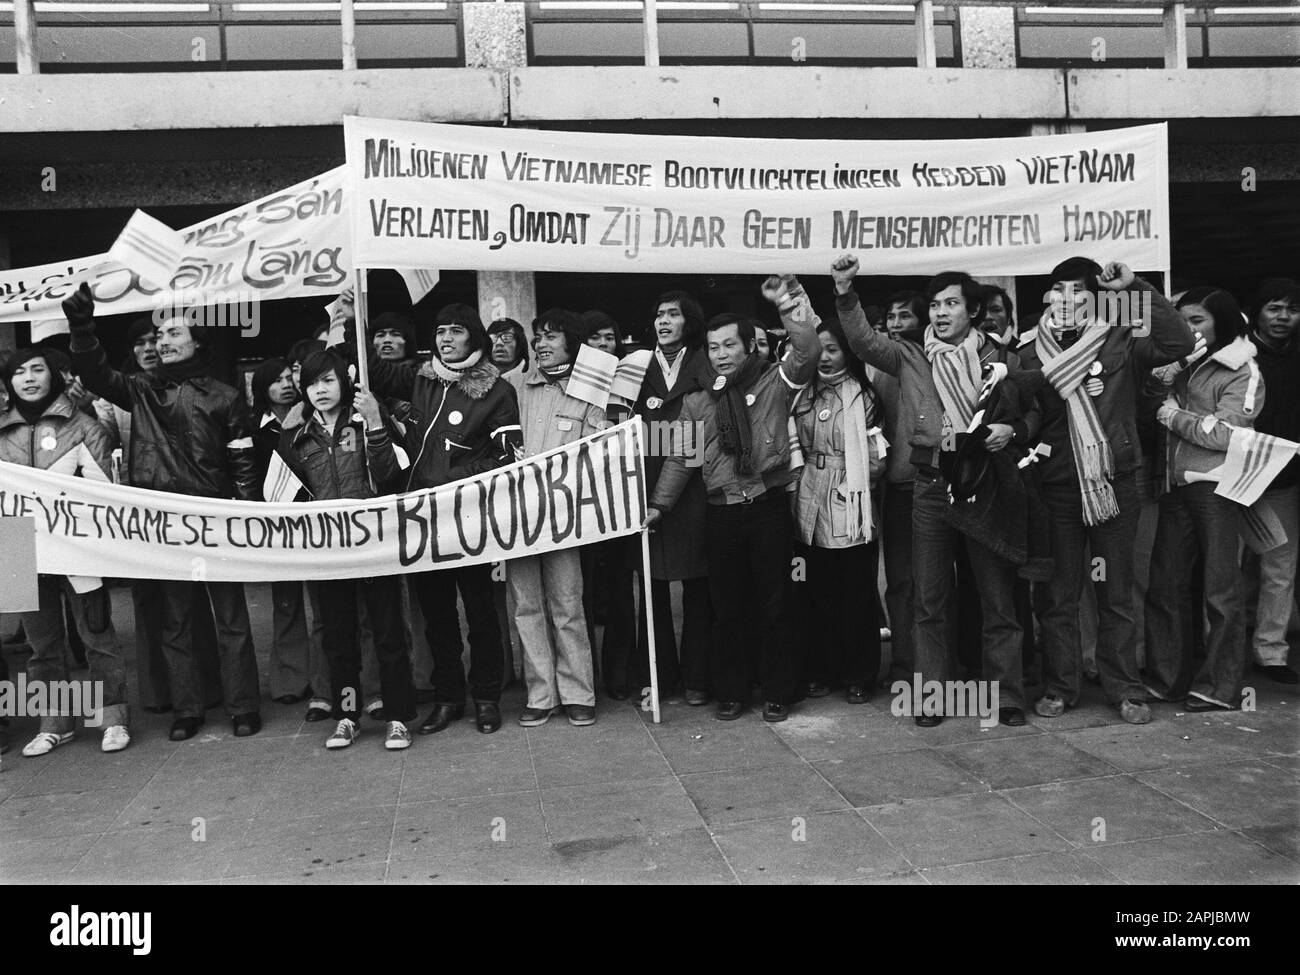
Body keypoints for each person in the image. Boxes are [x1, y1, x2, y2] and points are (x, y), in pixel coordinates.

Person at [832, 255, 1035, 727]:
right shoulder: (911, 353)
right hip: (930, 484)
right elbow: (861, 340)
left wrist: (1014, 429)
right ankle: (930, 697)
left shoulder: (1001, 359)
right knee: (929, 597)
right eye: (936, 305)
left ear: (973, 311)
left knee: (996, 595)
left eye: (951, 304)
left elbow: (1034, 410)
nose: (941, 313)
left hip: (986, 481)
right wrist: (845, 293)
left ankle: (1006, 696)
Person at [65, 283, 264, 741]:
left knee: (231, 619)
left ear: (198, 341)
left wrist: (248, 513)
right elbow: (95, 373)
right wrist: (82, 327)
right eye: (159, 337)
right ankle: (187, 710)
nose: (162, 341)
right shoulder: (139, 389)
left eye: (174, 332)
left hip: (215, 521)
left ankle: (243, 707)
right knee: (175, 621)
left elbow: (243, 460)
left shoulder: (225, 395)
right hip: (164, 523)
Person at [1017, 258, 1192, 725]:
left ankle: (1125, 689)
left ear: (1097, 297)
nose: (1068, 298)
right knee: (1059, 595)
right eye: (1059, 289)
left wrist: (1134, 288)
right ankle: (1061, 687)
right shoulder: (1032, 350)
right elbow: (1028, 411)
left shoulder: (1122, 337)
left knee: (1116, 592)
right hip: (1057, 483)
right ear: (1048, 297)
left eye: (1079, 290)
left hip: (1115, 478)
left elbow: (1180, 341)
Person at [648, 277, 820, 722]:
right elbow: (680, 460)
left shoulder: (774, 384)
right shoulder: (697, 401)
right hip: (720, 513)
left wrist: (787, 305)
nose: (722, 354)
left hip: (766, 507)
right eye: (714, 347)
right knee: (726, 609)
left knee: (776, 604)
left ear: (750, 348)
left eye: (730, 345)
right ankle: (733, 691)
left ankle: (778, 691)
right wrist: (659, 506)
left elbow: (807, 352)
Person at [362, 302, 522, 736]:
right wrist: (346, 325)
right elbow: (368, 364)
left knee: (481, 614)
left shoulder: (497, 390)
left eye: (455, 331)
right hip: (422, 520)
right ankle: (449, 698)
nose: (445, 339)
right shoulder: (419, 376)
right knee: (437, 617)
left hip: (469, 517)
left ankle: (486, 698)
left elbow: (507, 457)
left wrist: (447, 482)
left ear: (474, 337)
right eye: (439, 332)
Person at [277, 350, 416, 749]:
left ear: (344, 383)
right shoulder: (298, 433)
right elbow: (285, 493)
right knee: (338, 637)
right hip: (329, 550)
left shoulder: (369, 418)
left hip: (375, 544)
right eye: (312, 383)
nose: (319, 390)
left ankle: (397, 716)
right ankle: (348, 715)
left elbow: (391, 475)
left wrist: (375, 421)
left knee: (388, 632)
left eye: (328, 381)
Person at [0, 347, 130, 755]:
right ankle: (54, 723)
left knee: (97, 635)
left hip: (76, 544)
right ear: (9, 383)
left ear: (52, 376)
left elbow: (103, 490)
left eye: (37, 369)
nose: (29, 378)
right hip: (16, 546)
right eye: (19, 372)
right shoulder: (1, 432)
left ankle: (113, 719)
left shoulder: (82, 425)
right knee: (41, 646)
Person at [1144, 288, 1262, 711]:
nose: (1187, 329)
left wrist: (1171, 413)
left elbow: (1226, 434)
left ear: (1223, 323)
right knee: (1165, 587)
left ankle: (1220, 688)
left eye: (1197, 321)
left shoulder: (1242, 369)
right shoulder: (1177, 363)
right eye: (1183, 321)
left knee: (1221, 592)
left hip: (1217, 489)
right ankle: (1164, 681)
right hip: (1175, 486)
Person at [510, 308, 606, 727]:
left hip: (565, 516)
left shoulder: (590, 391)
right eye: (537, 338)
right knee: (526, 605)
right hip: (516, 516)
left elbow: (600, 450)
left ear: (572, 342)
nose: (541, 345)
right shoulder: (514, 386)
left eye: (551, 336)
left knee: (567, 604)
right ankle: (541, 693)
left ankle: (579, 691)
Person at [791, 317, 886, 702]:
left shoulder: (864, 396)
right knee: (814, 593)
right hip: (807, 498)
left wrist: (853, 486)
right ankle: (821, 669)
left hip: (851, 500)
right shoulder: (801, 394)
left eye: (833, 349)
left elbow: (877, 456)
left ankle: (859, 674)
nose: (826, 357)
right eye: (820, 350)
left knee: (856, 595)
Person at [634, 291, 714, 705]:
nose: (663, 321)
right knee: (652, 587)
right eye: (659, 314)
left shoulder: (707, 362)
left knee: (699, 586)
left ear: (690, 322)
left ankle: (699, 677)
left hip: (695, 485)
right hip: (645, 482)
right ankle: (657, 675)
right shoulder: (636, 365)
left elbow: (699, 436)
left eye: (673, 314)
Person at [250, 357, 333, 712]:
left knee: (322, 607)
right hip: (276, 524)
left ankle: (324, 683)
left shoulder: (309, 419)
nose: (286, 384)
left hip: (313, 522)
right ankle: (288, 680)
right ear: (262, 387)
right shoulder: (254, 426)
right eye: (277, 379)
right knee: (286, 604)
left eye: (290, 378)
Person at [1243, 278, 1300, 684]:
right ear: (1257, 311)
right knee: (1224, 568)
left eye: (1292, 309)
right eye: (1274, 308)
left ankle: (1270, 652)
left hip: (1284, 479)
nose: (1283, 317)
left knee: (1279, 565)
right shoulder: (1238, 355)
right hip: (1233, 476)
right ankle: (1219, 645)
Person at [579, 310, 638, 699]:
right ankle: (585, 678)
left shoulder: (632, 381)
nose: (604, 346)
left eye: (610, 339)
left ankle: (620, 676)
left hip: (619, 502)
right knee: (578, 595)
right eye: (596, 339)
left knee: (620, 593)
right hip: (580, 505)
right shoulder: (572, 384)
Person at [874, 291, 926, 687]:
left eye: (904, 314)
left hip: (938, 485)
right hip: (898, 489)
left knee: (938, 584)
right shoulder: (884, 366)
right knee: (902, 583)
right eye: (891, 316)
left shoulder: (938, 361)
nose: (895, 323)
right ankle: (905, 665)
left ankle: (941, 663)